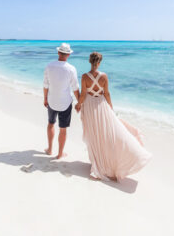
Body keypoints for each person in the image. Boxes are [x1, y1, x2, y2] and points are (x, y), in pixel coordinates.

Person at [75, 52, 151, 181]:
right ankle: (107, 164)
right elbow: (107, 93)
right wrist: (110, 108)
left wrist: (79, 104)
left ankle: (98, 163)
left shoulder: (84, 77)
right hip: (101, 105)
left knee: (94, 135)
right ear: (99, 63)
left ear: (89, 61)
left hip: (89, 107)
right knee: (106, 134)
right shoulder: (104, 76)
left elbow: (83, 94)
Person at [43, 43, 80, 159]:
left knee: (50, 124)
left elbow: (45, 85)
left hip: (52, 100)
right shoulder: (71, 69)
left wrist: (45, 98)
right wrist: (80, 102)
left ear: (58, 52)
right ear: (68, 55)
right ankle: (60, 154)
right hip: (65, 103)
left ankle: (49, 149)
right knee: (63, 129)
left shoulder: (49, 66)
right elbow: (75, 88)